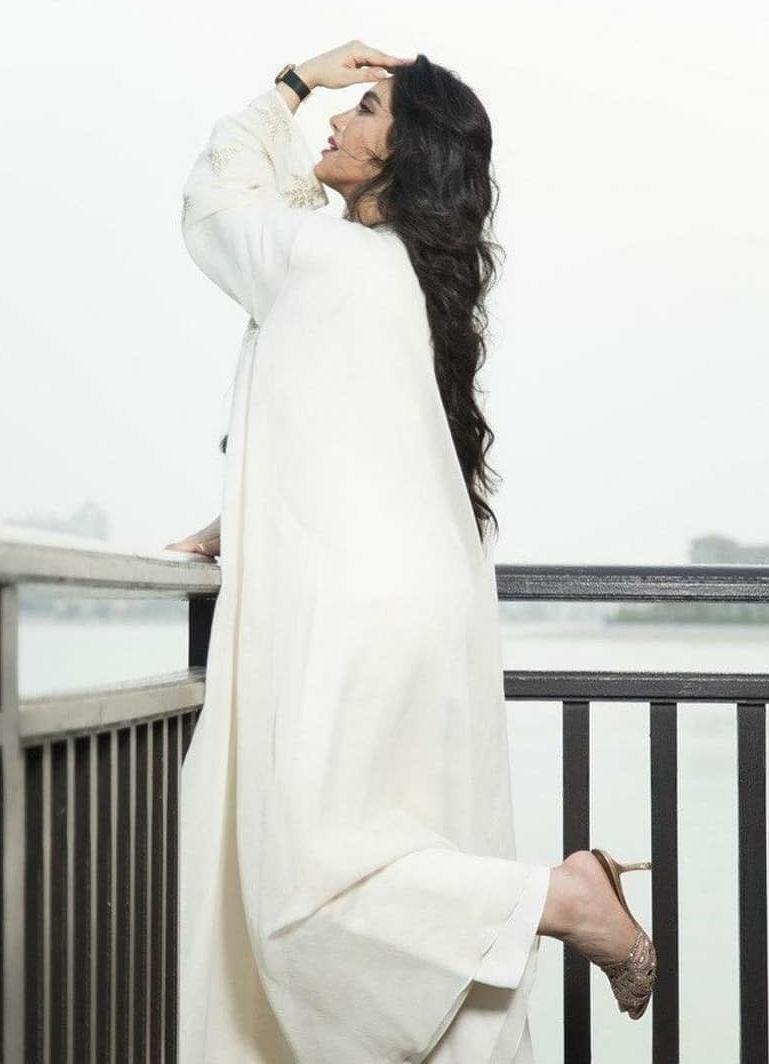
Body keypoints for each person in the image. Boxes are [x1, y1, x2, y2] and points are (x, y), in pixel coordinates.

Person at [166, 40, 655, 1064]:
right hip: (408, 608)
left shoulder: (328, 262)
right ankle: (534, 915)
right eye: (342, 103)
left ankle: (558, 898)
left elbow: (216, 202)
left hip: (352, 615)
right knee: (385, 846)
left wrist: (293, 80)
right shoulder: (387, 277)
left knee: (303, 879)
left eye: (365, 110)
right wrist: (239, 511)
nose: (335, 118)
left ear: (405, 153)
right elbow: (338, 440)